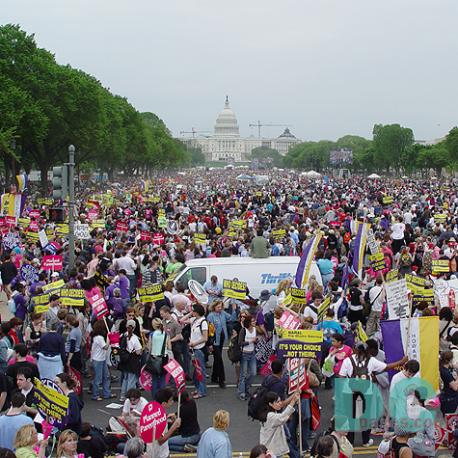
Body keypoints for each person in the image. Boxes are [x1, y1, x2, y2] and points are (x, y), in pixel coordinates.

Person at [259, 391, 299, 457]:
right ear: (270, 404)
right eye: (277, 402)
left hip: (271, 449)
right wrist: (293, 401)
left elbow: (282, 417)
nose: (280, 403)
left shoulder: (269, 413)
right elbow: (282, 417)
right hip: (271, 451)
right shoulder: (270, 416)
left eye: (280, 401)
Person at [207, 300, 236, 389]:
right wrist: (210, 344)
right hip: (215, 340)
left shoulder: (223, 313)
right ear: (214, 307)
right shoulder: (210, 316)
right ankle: (221, 380)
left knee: (217, 358)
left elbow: (231, 318)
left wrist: (234, 310)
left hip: (222, 339)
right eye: (218, 307)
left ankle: (214, 377)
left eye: (221, 307)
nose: (220, 309)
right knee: (219, 359)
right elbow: (210, 331)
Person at [149, 388, 181, 458]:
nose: (172, 402)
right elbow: (160, 440)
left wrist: (167, 418)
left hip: (152, 451)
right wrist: (174, 427)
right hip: (160, 454)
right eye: (170, 400)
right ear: (164, 403)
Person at [119, 319, 142, 402]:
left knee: (125, 379)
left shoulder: (123, 336)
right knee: (131, 380)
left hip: (124, 360)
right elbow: (139, 351)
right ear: (134, 327)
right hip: (133, 360)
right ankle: (129, 397)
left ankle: (122, 396)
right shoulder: (135, 338)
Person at [90, 320, 113, 401]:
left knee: (105, 376)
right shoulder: (99, 338)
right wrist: (108, 338)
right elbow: (105, 347)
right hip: (98, 360)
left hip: (100, 359)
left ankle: (107, 393)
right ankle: (95, 395)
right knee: (98, 378)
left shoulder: (97, 337)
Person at [148, 318, 171, 399]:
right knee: (162, 379)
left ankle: (154, 397)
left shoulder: (151, 334)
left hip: (154, 357)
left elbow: (149, 348)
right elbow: (169, 347)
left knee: (154, 379)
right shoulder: (166, 334)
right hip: (164, 357)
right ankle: (163, 397)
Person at [189, 304, 208, 399]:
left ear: (197, 312)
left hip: (199, 349)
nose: (191, 312)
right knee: (197, 372)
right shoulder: (195, 320)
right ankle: (198, 389)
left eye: (193, 311)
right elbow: (181, 320)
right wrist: (190, 313)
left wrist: (194, 343)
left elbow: (205, 338)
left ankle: (202, 391)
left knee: (201, 371)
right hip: (194, 349)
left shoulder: (203, 322)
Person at [238, 314, 258, 401]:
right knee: (243, 374)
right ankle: (241, 392)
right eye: (253, 321)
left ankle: (246, 388)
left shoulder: (255, 330)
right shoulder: (243, 330)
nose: (255, 322)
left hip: (252, 353)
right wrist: (251, 341)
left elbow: (255, 341)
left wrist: (256, 341)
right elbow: (240, 343)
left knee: (253, 373)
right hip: (244, 354)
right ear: (249, 323)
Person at [439, 350, 458, 415]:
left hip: (447, 397)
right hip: (449, 399)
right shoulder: (445, 372)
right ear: (450, 359)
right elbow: (455, 387)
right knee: (450, 420)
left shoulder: (443, 368)